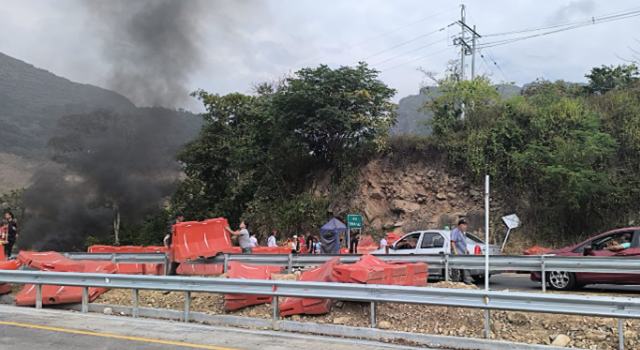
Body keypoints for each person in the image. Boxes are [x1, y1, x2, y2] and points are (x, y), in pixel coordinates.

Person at [450, 218, 473, 284]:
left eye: (466, 225)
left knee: (465, 268)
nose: (465, 226)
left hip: (463, 254)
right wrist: (455, 252)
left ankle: (467, 282)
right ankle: (455, 283)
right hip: (457, 254)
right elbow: (453, 242)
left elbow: (463, 243)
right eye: (463, 225)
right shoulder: (455, 231)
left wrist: (466, 250)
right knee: (456, 269)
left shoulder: (463, 233)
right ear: (459, 225)